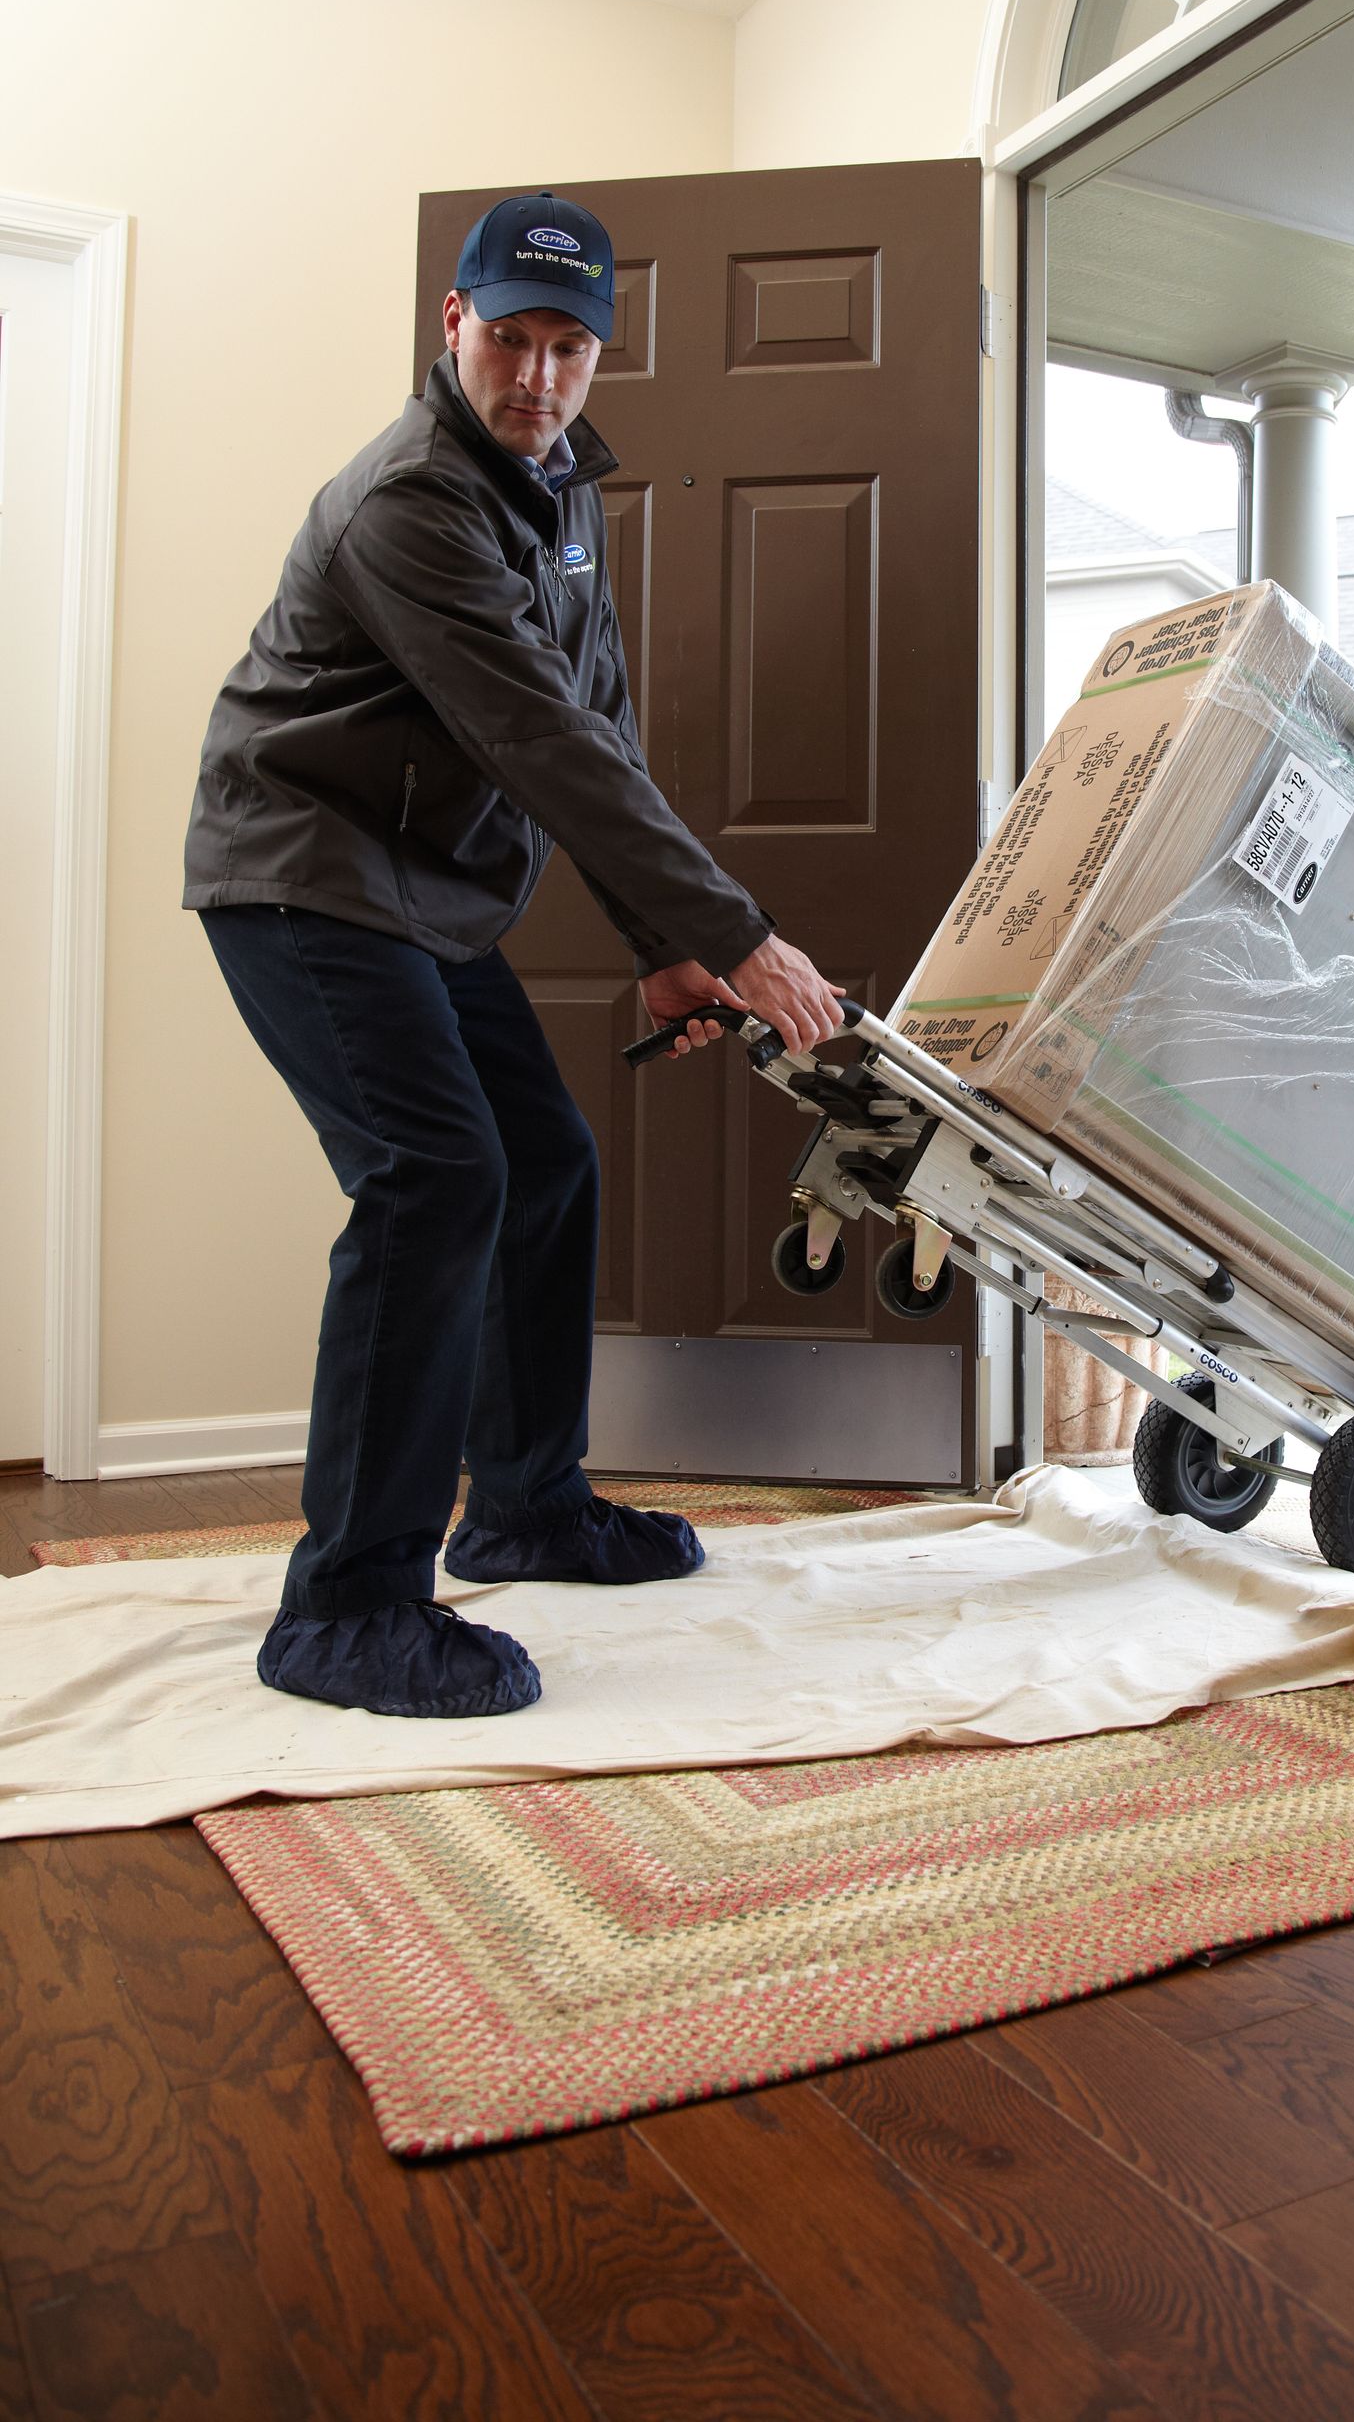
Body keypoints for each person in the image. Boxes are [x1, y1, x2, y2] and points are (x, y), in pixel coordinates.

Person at [183, 191, 842, 1719]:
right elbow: (535, 741)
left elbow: (596, 717)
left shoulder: (558, 487)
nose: (537, 376)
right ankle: (347, 1607)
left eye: (570, 346)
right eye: (512, 338)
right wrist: (735, 939)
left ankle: (529, 1505)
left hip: (421, 896)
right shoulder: (408, 502)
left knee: (542, 1164)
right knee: (435, 1180)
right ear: (453, 324)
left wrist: (661, 953)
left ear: (597, 354)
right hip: (301, 871)